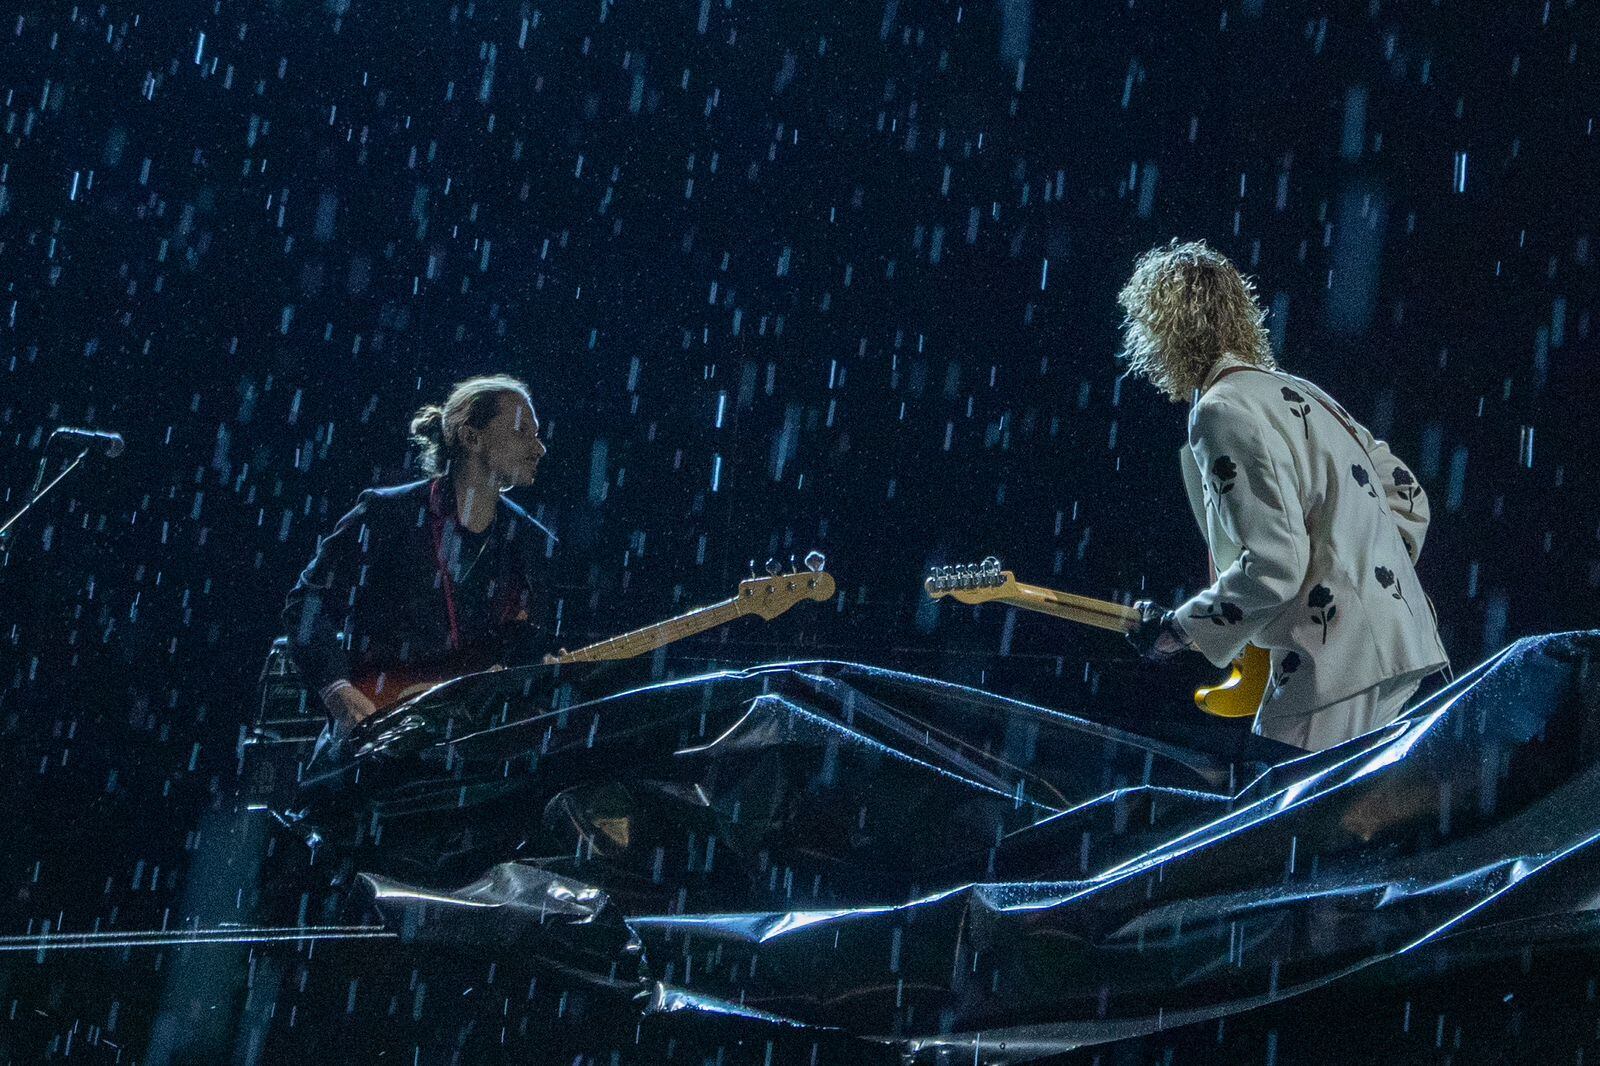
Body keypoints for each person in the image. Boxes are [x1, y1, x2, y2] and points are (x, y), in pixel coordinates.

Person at [1117, 240, 1449, 751]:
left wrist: (1179, 630)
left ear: (1165, 331)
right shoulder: (1300, 392)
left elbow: (1275, 564)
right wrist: (1368, 573)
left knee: (1277, 816)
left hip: (1335, 665)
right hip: (1406, 644)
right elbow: (1408, 498)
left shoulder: (1220, 411)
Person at [282, 374, 555, 743]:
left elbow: (524, 645)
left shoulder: (528, 541)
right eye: (524, 432)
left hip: (472, 740)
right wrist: (338, 693)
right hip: (379, 736)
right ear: (471, 437)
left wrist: (542, 669)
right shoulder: (386, 514)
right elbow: (306, 605)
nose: (539, 448)